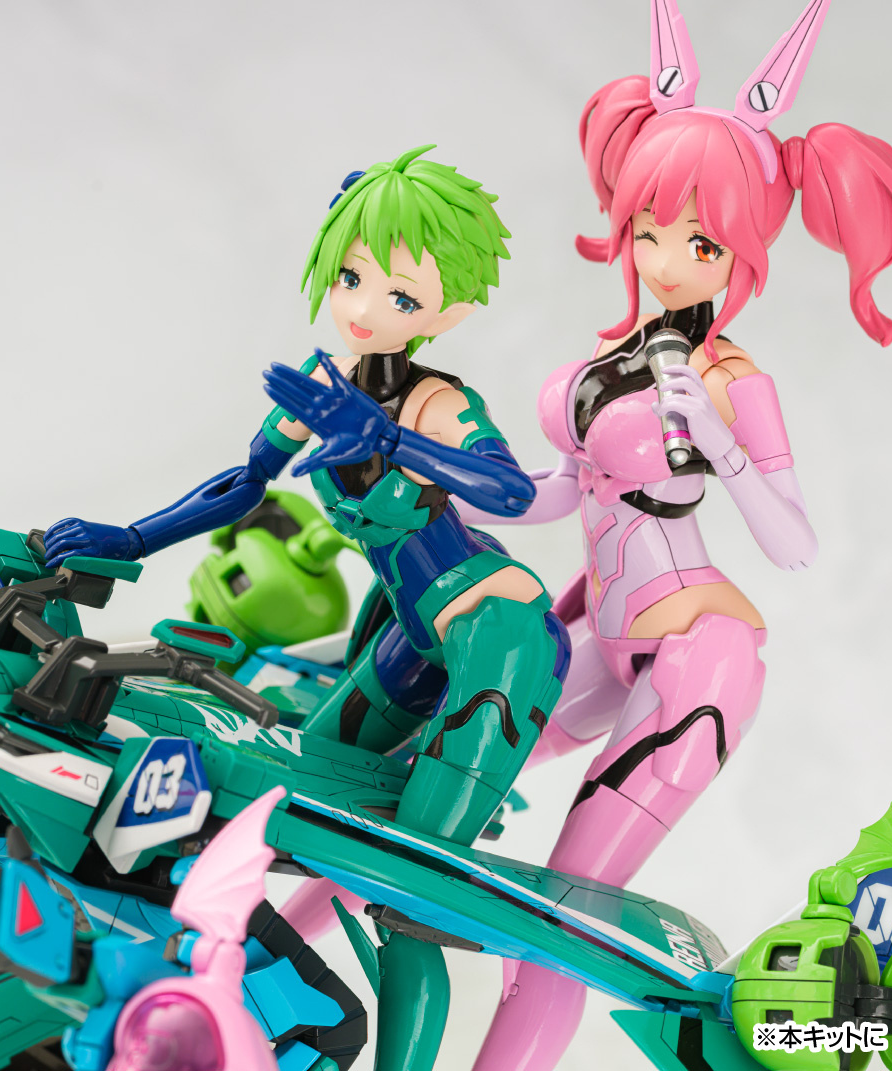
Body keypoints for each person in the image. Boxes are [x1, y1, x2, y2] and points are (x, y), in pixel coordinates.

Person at [458, 2, 892, 1067]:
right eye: (651, 229)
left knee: (554, 926)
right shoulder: (613, 359)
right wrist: (439, 483)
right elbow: (558, 493)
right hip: (601, 635)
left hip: (697, 660)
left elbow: (796, 543)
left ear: (742, 252)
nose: (667, 258)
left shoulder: (731, 380)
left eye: (701, 241)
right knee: (420, 798)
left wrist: (720, 444)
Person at [42, 145, 569, 1071]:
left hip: (500, 640)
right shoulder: (324, 383)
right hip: (414, 637)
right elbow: (244, 482)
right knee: (284, 794)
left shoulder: (437, 401)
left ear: (448, 313)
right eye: (352, 277)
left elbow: (510, 488)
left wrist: (392, 436)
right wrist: (129, 538)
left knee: (411, 895)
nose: (364, 306)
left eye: (400, 296)